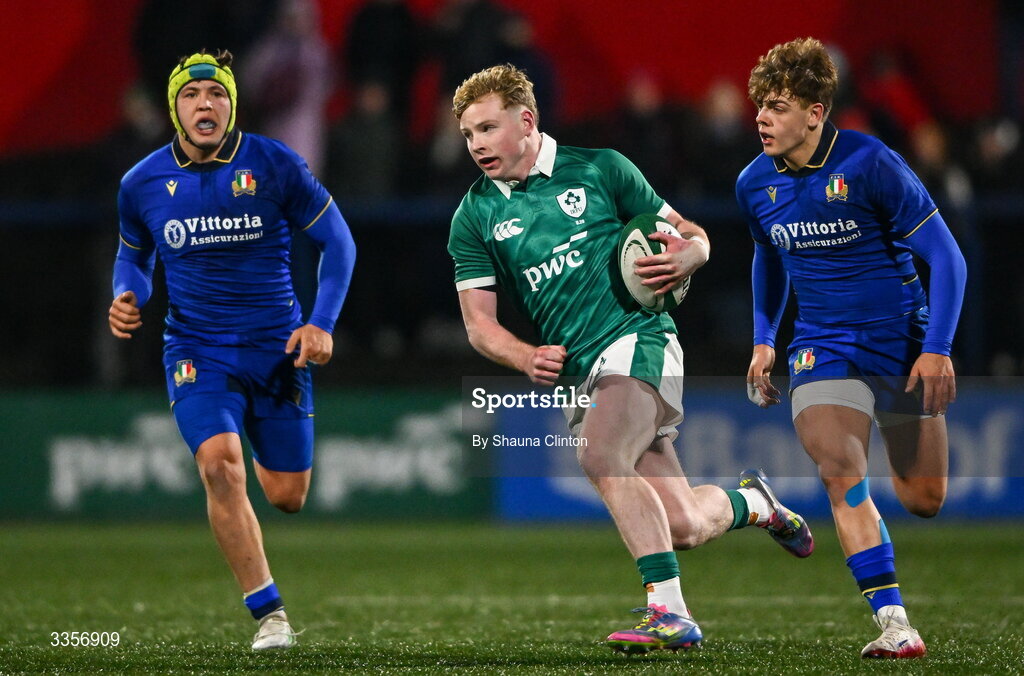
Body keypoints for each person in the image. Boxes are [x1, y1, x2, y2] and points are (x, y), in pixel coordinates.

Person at [447, 64, 813, 654]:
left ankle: (668, 612)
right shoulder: (474, 216)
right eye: (469, 135)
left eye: (488, 129)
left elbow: (691, 233)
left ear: (527, 121)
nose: (477, 145)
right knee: (687, 526)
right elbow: (479, 326)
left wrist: (691, 255)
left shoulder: (601, 169)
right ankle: (756, 503)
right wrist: (523, 356)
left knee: (600, 453)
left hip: (639, 337)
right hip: (584, 370)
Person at [107, 49, 356, 650]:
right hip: (196, 350)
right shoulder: (140, 184)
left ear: (231, 103)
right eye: (191, 96)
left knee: (286, 496)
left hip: (277, 350)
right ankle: (270, 616)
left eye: (216, 94)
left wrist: (321, 323)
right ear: (175, 108)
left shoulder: (272, 164)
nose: (205, 105)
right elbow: (133, 257)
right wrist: (126, 294)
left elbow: (338, 244)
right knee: (220, 464)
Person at [736, 38, 967, 659]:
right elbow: (768, 256)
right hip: (821, 345)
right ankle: (895, 624)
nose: (761, 116)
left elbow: (947, 257)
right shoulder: (754, 183)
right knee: (841, 470)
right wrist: (764, 341)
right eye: (760, 104)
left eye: (777, 106)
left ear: (815, 112)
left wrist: (938, 348)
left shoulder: (871, 163)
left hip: (902, 339)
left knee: (924, 498)